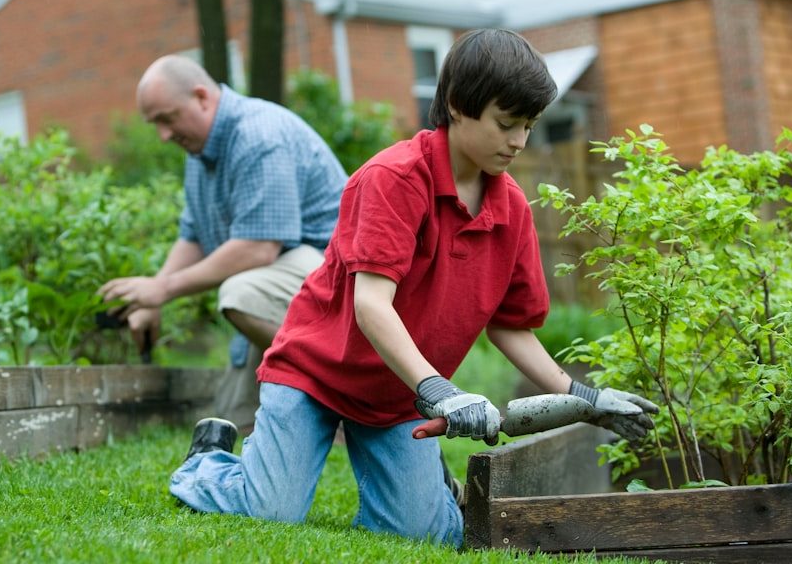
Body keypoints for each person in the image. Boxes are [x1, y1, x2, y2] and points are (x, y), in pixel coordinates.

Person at [167, 29, 659, 547]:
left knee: (423, 535)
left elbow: (511, 328)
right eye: (506, 123)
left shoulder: (511, 209)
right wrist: (442, 391)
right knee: (270, 511)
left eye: (529, 126)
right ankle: (209, 461)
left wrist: (587, 398)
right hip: (315, 374)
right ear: (456, 106)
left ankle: (427, 491)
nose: (519, 141)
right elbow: (371, 305)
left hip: (399, 394)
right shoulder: (393, 179)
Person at [99, 55, 348, 432]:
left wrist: (164, 289)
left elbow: (258, 248)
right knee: (231, 421)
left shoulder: (258, 136)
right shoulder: (200, 152)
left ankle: (345, 394)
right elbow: (194, 235)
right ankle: (310, 404)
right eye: (155, 125)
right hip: (285, 287)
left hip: (340, 285)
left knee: (241, 293)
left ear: (201, 97)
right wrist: (149, 298)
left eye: (167, 119)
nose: (163, 135)